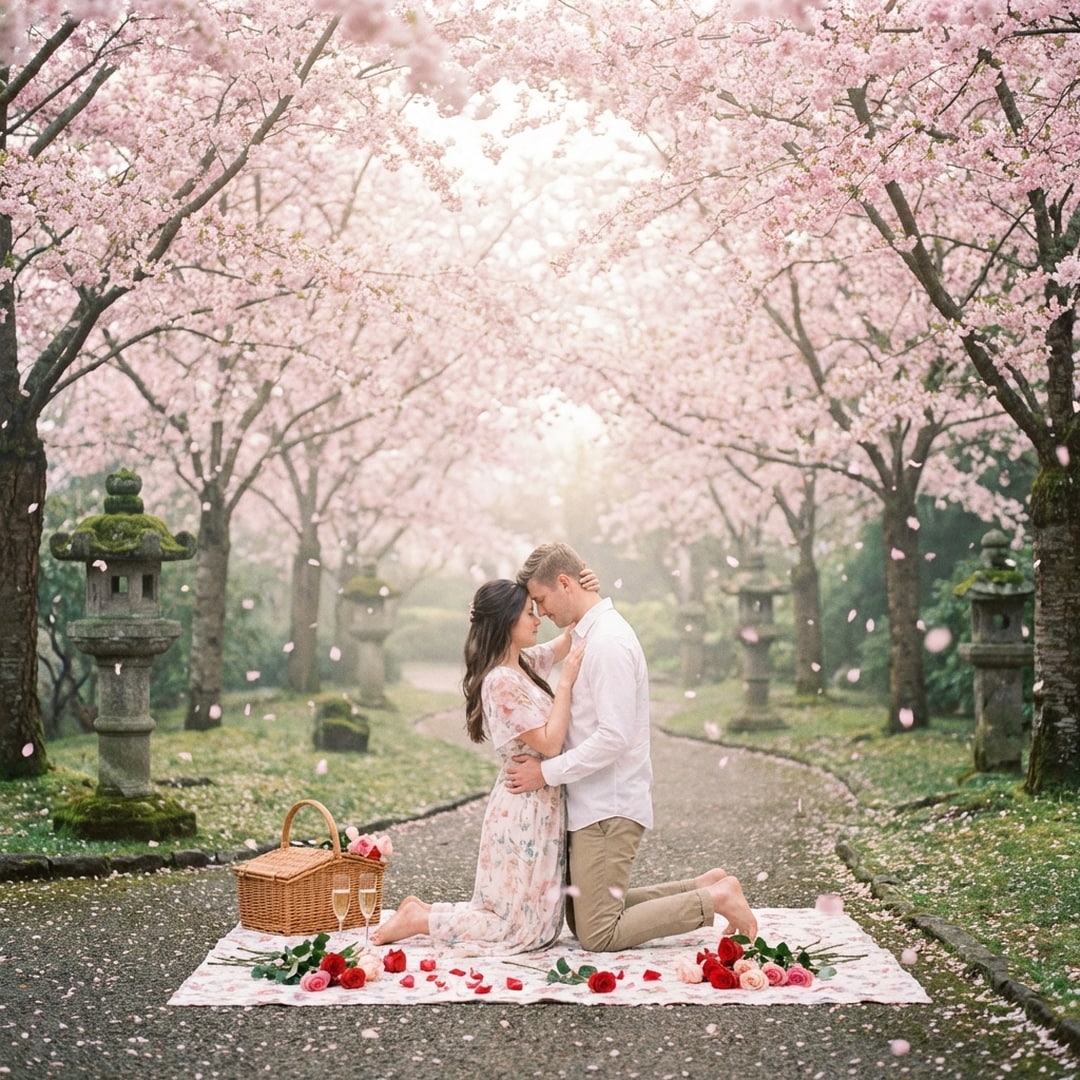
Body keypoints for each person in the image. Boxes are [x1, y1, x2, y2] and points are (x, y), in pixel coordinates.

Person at [504, 542, 758, 952]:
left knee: (598, 933)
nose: (541, 611)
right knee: (581, 917)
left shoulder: (608, 643)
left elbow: (615, 736)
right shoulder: (587, 632)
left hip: (609, 805)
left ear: (565, 583)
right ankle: (706, 887)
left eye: (542, 599)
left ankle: (715, 901)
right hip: (591, 801)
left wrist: (544, 773)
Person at [371, 576, 587, 954]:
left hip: (539, 803)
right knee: (518, 931)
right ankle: (419, 921)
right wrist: (566, 683)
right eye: (528, 613)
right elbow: (551, 743)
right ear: (506, 622)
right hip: (523, 810)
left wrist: (582, 587)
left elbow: (568, 637)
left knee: (532, 924)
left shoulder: (523, 662)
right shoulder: (501, 682)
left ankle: (423, 911)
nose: (538, 620)